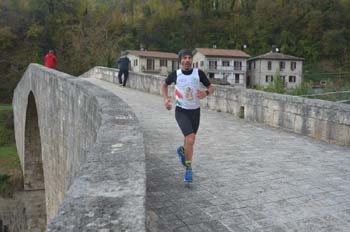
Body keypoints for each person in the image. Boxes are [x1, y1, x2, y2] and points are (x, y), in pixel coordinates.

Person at [161, 49, 214, 183]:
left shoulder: (199, 73)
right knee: (190, 139)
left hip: (195, 112)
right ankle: (188, 169)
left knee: (189, 140)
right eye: (184, 58)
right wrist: (166, 99)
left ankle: (182, 151)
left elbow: (211, 87)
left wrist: (206, 93)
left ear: (192, 60)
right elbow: (164, 85)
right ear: (180, 61)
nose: (187, 60)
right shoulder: (176, 74)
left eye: (189, 58)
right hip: (181, 111)